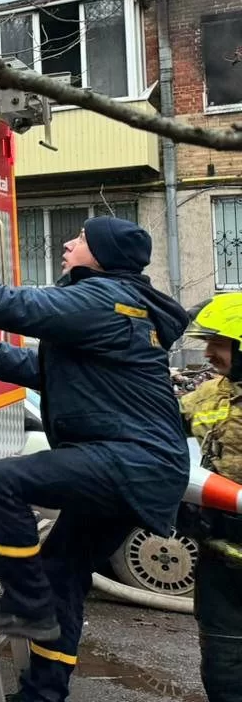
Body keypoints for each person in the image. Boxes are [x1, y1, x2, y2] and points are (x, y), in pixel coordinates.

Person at [0, 216, 190, 702]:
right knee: (63, 573)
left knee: (2, 481)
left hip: (130, 461)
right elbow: (50, 371)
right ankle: (44, 690)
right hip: (139, 463)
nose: (68, 242)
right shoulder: (121, 306)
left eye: (80, 238)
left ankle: (26, 606)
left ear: (101, 255)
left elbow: (9, 304)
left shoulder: (102, 299)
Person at [180, 294, 242, 702]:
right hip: (222, 567)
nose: (208, 352)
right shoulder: (210, 397)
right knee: (224, 675)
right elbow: (161, 422)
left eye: (217, 342)